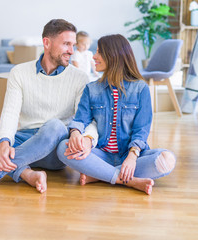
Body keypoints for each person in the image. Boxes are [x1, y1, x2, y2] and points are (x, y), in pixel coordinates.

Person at [0, 19, 98, 193]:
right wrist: (4, 143)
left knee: (55, 125)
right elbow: (10, 112)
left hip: (55, 147)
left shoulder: (80, 78)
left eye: (73, 45)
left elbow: (84, 118)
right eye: (66, 44)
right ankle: (26, 174)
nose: (71, 51)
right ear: (47, 43)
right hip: (24, 140)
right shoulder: (20, 72)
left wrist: (88, 139)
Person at [57, 34, 176, 195]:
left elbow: (141, 130)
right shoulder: (91, 89)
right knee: (63, 149)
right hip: (100, 154)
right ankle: (126, 179)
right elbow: (80, 120)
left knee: (167, 160)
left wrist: (132, 157)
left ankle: (101, 175)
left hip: (130, 154)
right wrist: (75, 134)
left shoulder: (140, 89)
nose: (94, 56)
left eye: (99, 52)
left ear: (113, 56)